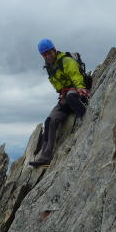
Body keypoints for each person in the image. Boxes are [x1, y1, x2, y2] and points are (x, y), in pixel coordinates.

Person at [29, 38, 89, 167]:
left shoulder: (66, 61)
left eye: (49, 53)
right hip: (65, 96)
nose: (47, 56)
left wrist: (80, 87)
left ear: (54, 50)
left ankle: (86, 117)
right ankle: (45, 157)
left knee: (71, 97)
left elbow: (75, 75)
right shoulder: (49, 68)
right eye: (44, 54)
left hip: (77, 91)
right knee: (49, 121)